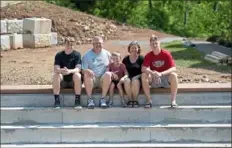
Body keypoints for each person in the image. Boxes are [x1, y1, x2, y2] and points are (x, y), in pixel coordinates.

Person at [141, 35, 178, 108]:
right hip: (154, 78)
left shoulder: (166, 54)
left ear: (159, 43)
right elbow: (143, 68)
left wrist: (161, 74)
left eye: (156, 43)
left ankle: (173, 101)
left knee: (174, 75)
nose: (154, 45)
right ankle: (149, 101)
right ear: (150, 45)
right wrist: (153, 73)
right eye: (152, 44)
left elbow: (173, 68)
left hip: (165, 78)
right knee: (144, 75)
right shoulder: (148, 55)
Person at [82, 36, 112, 109]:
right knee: (86, 74)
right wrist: (87, 70)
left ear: (102, 43)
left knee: (108, 74)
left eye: (99, 43)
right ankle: (90, 99)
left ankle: (103, 99)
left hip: (103, 79)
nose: (98, 45)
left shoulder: (107, 54)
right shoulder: (87, 55)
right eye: (96, 43)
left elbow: (113, 66)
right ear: (92, 44)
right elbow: (83, 70)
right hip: (93, 79)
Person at [52, 37, 82, 109]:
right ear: (64, 44)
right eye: (67, 44)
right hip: (63, 80)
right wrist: (62, 70)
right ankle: (57, 100)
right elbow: (56, 69)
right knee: (55, 75)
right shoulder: (59, 55)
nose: (69, 46)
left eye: (71, 44)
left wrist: (69, 71)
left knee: (77, 75)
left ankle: (77, 101)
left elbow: (78, 68)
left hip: (73, 81)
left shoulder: (77, 55)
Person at [122, 41, 144, 108]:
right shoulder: (125, 59)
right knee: (126, 80)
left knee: (135, 81)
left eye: (135, 48)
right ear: (129, 49)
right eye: (132, 48)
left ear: (138, 49)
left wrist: (136, 77)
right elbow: (124, 70)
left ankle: (135, 100)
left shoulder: (141, 58)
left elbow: (143, 71)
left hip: (138, 78)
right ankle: (130, 100)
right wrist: (127, 77)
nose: (134, 49)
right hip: (128, 77)